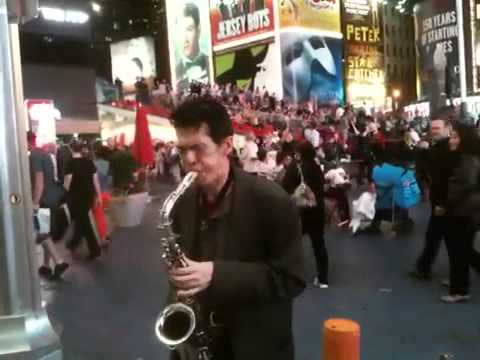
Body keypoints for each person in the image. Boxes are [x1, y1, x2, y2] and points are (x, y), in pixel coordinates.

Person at [167, 97, 306, 359]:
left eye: (198, 148)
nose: (189, 160)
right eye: (182, 149)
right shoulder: (180, 203)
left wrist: (216, 276)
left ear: (227, 145)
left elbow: (292, 278)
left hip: (255, 349)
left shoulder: (272, 200)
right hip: (198, 345)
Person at [410, 107, 457, 279]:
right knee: (438, 236)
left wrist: (424, 150)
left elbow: (438, 163)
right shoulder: (440, 146)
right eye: (433, 129)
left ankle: (426, 268)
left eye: (437, 128)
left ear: (447, 128)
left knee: (449, 239)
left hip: (445, 200)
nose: (434, 131)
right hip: (441, 199)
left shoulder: (446, 148)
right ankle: (425, 267)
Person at [442, 121, 480, 303]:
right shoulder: (463, 157)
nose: (452, 140)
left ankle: (459, 290)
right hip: (466, 209)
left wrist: (450, 195)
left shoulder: (468, 160)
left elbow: (467, 183)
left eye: (455, 137)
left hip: (465, 210)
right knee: (464, 249)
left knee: (460, 250)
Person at [282, 141, 329, 288]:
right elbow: (322, 188)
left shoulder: (294, 168)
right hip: (316, 210)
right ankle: (323, 279)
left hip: (299, 212)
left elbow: (285, 187)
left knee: (291, 243)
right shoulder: (317, 168)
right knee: (319, 244)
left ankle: (291, 275)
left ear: (299, 153)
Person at [28, 132, 69, 280]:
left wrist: (35, 202)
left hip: (44, 199)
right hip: (53, 198)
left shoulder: (34, 155)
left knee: (42, 233)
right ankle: (46, 265)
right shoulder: (43, 154)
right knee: (46, 232)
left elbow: (39, 180)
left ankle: (59, 262)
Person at [63, 140, 102, 260]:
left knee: (83, 221)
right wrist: (98, 196)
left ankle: (95, 249)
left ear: (71, 149)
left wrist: (63, 195)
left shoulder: (70, 163)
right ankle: (74, 242)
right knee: (81, 220)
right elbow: (95, 180)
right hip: (88, 196)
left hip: (75, 197)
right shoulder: (89, 162)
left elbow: (67, 182)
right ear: (81, 149)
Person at [176, 2, 209, 89]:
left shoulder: (209, 63)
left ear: (198, 30)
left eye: (189, 29)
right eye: (180, 31)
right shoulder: (176, 71)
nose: (185, 39)